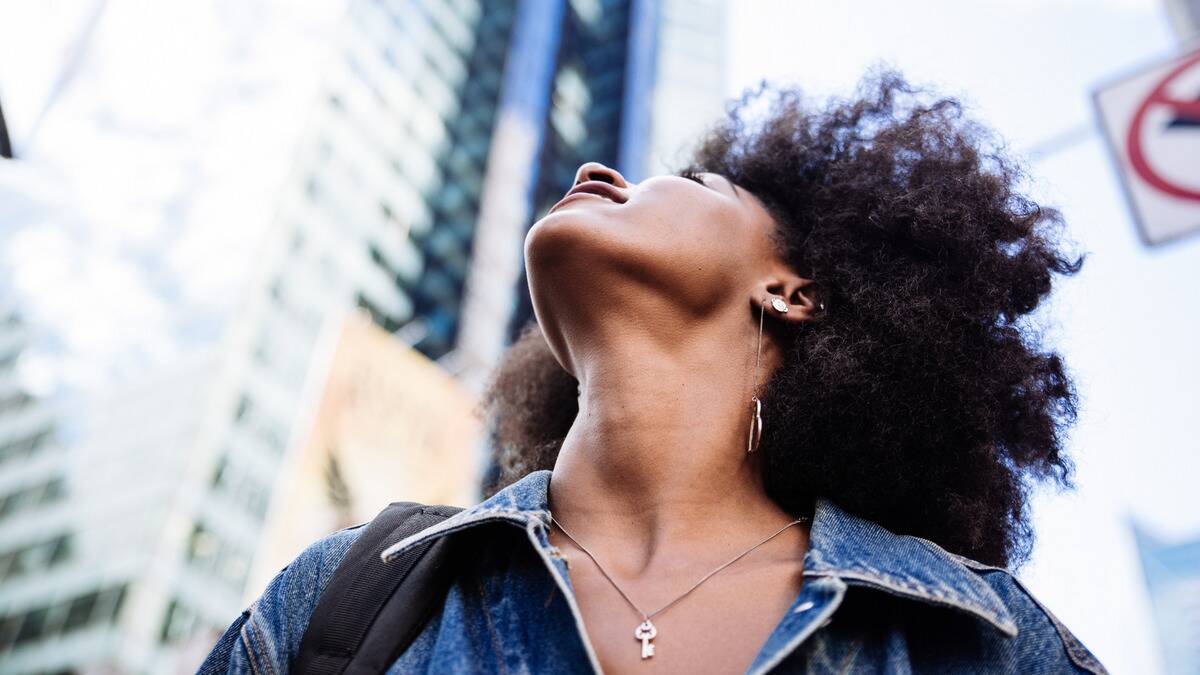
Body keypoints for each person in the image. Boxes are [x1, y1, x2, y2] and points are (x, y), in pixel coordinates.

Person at [200, 68, 1107, 674]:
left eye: (694, 182)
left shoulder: (983, 635)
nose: (598, 169)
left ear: (794, 290)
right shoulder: (340, 598)